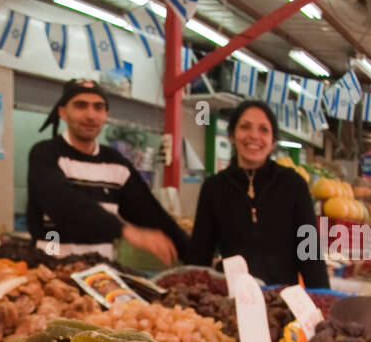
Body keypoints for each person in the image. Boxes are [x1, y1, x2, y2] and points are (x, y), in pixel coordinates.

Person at [26, 78, 188, 264]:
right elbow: (63, 205)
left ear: (106, 114)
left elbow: (151, 214)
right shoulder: (45, 154)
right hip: (50, 272)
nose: (91, 115)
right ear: (63, 112)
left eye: (98, 107)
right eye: (80, 106)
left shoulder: (116, 163)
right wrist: (124, 230)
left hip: (102, 276)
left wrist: (195, 256)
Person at [188, 100, 330, 288]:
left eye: (264, 129)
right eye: (245, 127)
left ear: (272, 142)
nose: (254, 136)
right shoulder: (214, 188)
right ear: (232, 135)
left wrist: (322, 302)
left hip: (283, 303)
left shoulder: (294, 185)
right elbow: (199, 255)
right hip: (231, 303)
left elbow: (311, 253)